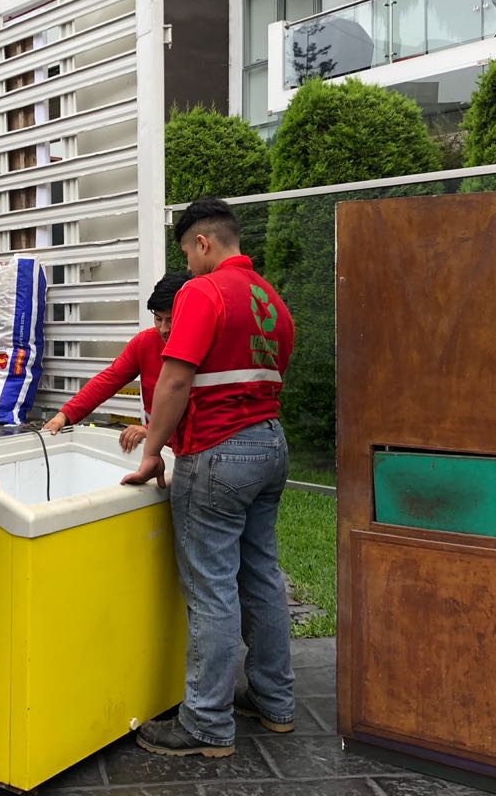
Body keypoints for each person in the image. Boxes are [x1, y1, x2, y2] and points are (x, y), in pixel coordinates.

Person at [122, 198, 296, 758]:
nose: (189, 270)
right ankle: (275, 702)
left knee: (211, 588)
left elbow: (174, 382)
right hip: (270, 444)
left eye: (188, 256)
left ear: (202, 243)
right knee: (262, 575)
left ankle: (205, 724)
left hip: (218, 453)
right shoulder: (272, 300)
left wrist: (152, 453)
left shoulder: (203, 292)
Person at [42, 272, 192, 451]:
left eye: (171, 320)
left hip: (195, 448)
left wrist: (150, 430)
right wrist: (64, 415)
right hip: (158, 448)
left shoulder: (204, 345)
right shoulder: (145, 342)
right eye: (158, 318)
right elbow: (109, 380)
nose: (163, 328)